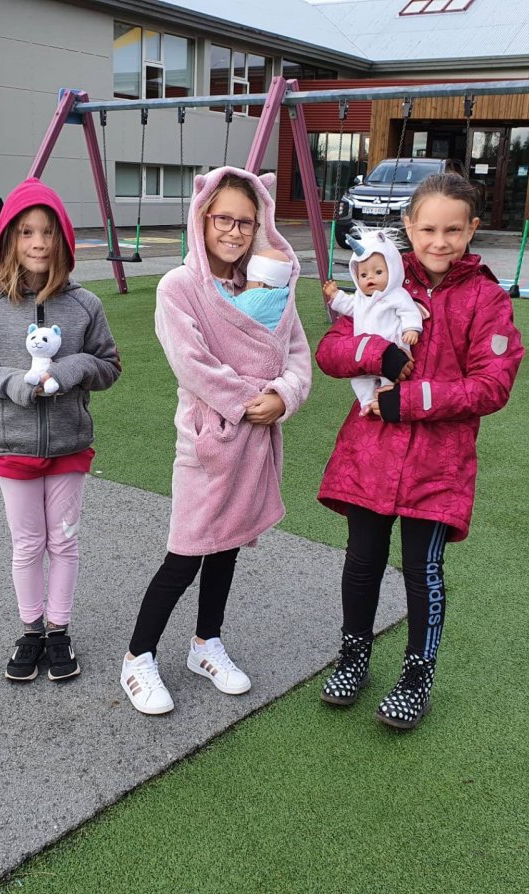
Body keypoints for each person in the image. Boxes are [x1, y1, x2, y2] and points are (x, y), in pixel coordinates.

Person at [314, 172, 524, 729]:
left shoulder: (485, 298)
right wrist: (374, 353)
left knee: (422, 570)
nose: (439, 241)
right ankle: (354, 654)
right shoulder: (381, 277)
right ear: (408, 227)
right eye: (428, 228)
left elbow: (492, 385)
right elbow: (330, 350)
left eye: (453, 230)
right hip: (370, 452)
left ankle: (417, 675)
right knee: (362, 561)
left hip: (438, 463)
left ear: (472, 229)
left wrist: (411, 399)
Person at [120, 167, 312, 716]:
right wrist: (251, 400)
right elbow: (193, 364)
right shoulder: (180, 288)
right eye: (224, 218)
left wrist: (285, 395)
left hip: (256, 440)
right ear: (202, 219)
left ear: (260, 226)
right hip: (209, 440)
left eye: (246, 222)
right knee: (185, 553)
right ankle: (138, 657)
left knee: (227, 547)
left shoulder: (272, 287)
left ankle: (206, 643)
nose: (234, 231)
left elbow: (297, 354)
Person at [0, 178, 121, 684]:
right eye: (26, 232)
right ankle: (31, 631)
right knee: (27, 545)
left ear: (63, 239)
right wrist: (14, 385)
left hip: (70, 444)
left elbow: (109, 366)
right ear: (9, 239)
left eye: (48, 232)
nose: (39, 243)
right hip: (14, 445)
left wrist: (71, 370)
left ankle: (59, 629)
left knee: (63, 543)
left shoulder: (85, 304)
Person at [321, 229, 425, 415]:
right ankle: (367, 401)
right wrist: (336, 295)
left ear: (393, 270)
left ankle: (383, 398)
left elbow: (409, 311)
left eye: (378, 272)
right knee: (359, 380)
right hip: (364, 355)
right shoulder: (360, 299)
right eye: (363, 275)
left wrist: (411, 329)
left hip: (394, 349)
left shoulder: (397, 295)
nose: (370, 278)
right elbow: (349, 306)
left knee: (390, 380)